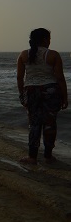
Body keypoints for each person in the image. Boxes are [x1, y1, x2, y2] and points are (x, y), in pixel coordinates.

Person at [17, 28, 68, 165]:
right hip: (50, 91)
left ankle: (32, 157)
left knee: (34, 124)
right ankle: (47, 156)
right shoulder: (53, 55)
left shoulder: (23, 55)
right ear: (45, 39)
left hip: (31, 91)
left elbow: (20, 78)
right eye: (49, 39)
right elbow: (60, 78)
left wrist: (22, 95)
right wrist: (65, 97)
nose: (50, 41)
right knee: (50, 124)